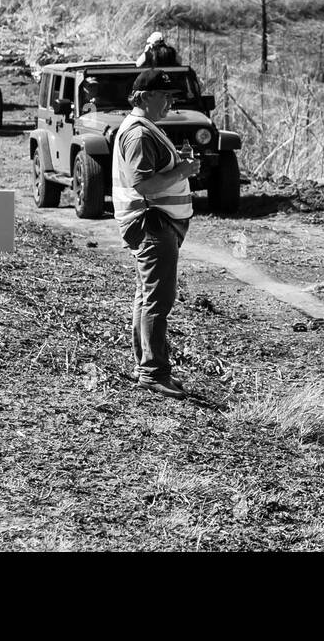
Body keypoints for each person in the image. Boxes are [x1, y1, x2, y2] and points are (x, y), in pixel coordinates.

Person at [111, 69, 201, 399]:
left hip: (154, 223)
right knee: (158, 300)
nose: (170, 103)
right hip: (152, 222)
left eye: (173, 97)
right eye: (165, 96)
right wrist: (184, 170)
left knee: (148, 298)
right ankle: (153, 371)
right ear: (145, 96)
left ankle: (149, 367)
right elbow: (144, 185)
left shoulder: (144, 129)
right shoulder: (138, 134)